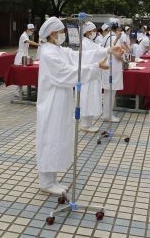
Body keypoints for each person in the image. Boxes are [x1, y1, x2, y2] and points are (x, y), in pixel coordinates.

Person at [36, 17, 120, 195]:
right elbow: (66, 74)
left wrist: (107, 50)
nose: (63, 35)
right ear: (52, 34)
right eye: (60, 32)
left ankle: (51, 179)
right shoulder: (48, 53)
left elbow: (78, 57)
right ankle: (46, 182)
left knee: (58, 138)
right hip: (52, 103)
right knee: (51, 139)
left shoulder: (56, 49)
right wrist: (96, 67)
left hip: (61, 99)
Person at [79, 22, 104, 133]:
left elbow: (99, 50)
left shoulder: (90, 42)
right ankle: (85, 124)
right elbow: (88, 58)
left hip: (93, 75)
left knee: (92, 99)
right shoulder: (84, 43)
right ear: (88, 32)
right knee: (87, 99)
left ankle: (88, 123)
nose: (95, 33)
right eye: (93, 30)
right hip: (87, 75)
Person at [102, 23, 126, 123]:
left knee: (107, 92)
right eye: (120, 29)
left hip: (107, 66)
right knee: (111, 92)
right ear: (117, 29)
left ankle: (106, 114)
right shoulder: (114, 38)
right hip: (113, 68)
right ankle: (108, 115)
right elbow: (117, 54)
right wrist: (124, 60)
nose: (121, 32)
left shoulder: (106, 37)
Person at [13, 24, 39, 98]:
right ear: (27, 29)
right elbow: (29, 42)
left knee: (22, 74)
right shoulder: (24, 36)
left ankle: (19, 91)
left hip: (23, 56)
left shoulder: (26, 35)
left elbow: (22, 45)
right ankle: (17, 92)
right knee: (19, 75)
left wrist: (17, 50)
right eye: (31, 30)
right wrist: (39, 44)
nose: (32, 32)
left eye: (33, 31)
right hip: (20, 58)